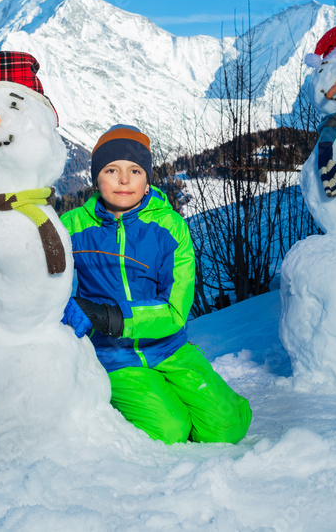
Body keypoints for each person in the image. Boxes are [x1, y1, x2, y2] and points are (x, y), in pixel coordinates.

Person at [60, 124, 251, 444]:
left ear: (147, 178)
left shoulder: (170, 228)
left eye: (134, 170)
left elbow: (176, 310)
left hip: (169, 348)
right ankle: (110, 400)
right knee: (170, 430)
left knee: (228, 425)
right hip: (112, 356)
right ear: (96, 179)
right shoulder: (72, 227)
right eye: (111, 170)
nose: (123, 180)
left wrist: (106, 315)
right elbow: (33, 270)